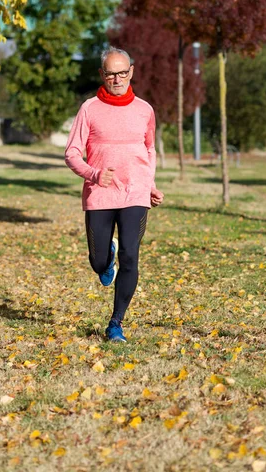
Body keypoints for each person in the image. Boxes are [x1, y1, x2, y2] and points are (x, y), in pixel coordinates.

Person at [65, 46, 164, 342]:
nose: (117, 78)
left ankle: (116, 323)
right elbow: (71, 153)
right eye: (111, 73)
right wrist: (94, 174)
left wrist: (150, 184)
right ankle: (105, 258)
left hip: (135, 194)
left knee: (131, 256)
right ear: (102, 74)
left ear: (131, 71)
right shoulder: (89, 108)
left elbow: (148, 149)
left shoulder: (145, 110)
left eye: (123, 72)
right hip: (100, 194)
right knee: (98, 263)